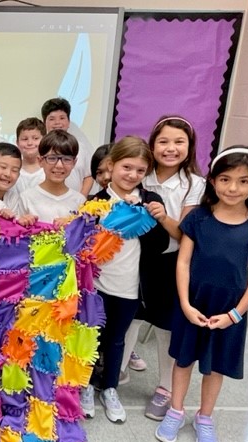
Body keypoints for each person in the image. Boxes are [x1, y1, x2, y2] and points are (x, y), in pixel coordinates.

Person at [155, 146, 248, 442]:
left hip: (230, 309)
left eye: (243, 181)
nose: (233, 188)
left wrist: (236, 314)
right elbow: (183, 262)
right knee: (183, 360)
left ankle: (204, 417)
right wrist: (184, 303)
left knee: (215, 367)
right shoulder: (198, 218)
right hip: (193, 302)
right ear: (212, 180)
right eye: (225, 179)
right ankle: (176, 410)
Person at [80, 136, 168, 423]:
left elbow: (160, 244)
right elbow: (81, 244)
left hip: (130, 288)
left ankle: (110, 388)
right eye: (126, 167)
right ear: (111, 165)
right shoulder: (95, 202)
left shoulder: (150, 201)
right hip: (98, 286)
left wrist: (151, 216)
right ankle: (84, 386)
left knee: (117, 340)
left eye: (140, 171)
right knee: (90, 337)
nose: (132, 175)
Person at [131, 116, 206, 420]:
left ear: (190, 148)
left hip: (170, 263)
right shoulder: (140, 174)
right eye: (163, 141)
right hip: (133, 259)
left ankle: (165, 389)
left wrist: (162, 215)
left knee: (165, 327)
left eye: (179, 142)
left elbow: (184, 234)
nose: (170, 148)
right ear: (152, 145)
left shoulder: (195, 184)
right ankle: (114, 375)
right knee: (129, 319)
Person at [16, 130, 85, 226]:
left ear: (74, 162)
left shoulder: (79, 201)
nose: (59, 165)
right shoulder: (27, 198)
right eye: (52, 158)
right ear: (40, 161)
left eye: (67, 159)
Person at [41, 97, 93, 195]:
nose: (57, 123)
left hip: (75, 205)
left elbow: (88, 176)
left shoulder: (80, 147)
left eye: (62, 118)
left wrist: (81, 198)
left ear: (68, 122)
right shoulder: (40, 147)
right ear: (44, 123)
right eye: (52, 119)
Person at [14, 117, 46, 194]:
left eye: (35, 138)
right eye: (25, 139)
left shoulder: (48, 170)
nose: (30, 143)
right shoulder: (13, 170)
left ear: (44, 141)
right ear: (17, 142)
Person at [0, 142, 21, 212]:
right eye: (3, 167)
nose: (8, 174)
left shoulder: (13, 199)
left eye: (14, 170)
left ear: (19, 175)